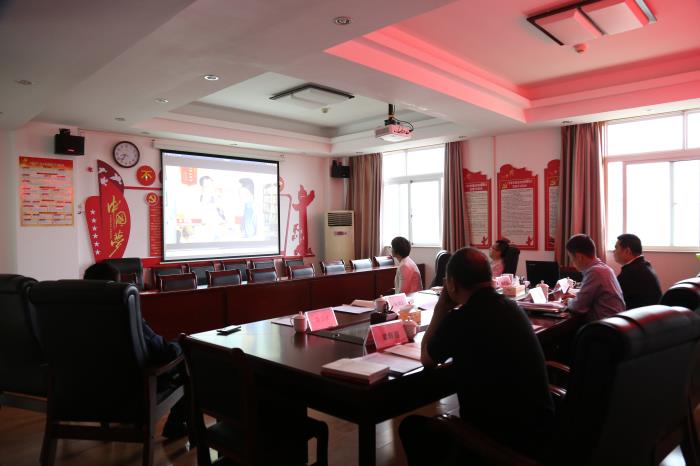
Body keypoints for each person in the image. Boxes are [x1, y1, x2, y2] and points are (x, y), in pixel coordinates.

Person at [400, 248, 554, 465]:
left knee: (411, 427)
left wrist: (441, 309)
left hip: (503, 444)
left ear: (451, 284)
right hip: (542, 434)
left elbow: (427, 359)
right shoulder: (512, 308)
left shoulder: (461, 319)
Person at [83, 262, 188, 439]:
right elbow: (164, 352)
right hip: (138, 391)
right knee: (184, 359)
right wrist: (180, 344)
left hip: (93, 391)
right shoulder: (126, 315)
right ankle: (175, 425)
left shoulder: (77, 319)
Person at [561, 234, 625, 322]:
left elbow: (579, 307)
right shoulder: (604, 268)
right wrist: (577, 297)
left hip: (603, 326)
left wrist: (568, 301)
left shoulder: (594, 272)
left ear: (579, 257)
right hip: (615, 323)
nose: (572, 262)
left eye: (572, 258)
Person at [613, 233, 662, 309]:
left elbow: (614, 299)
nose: (614, 251)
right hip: (652, 313)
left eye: (616, 248)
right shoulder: (644, 265)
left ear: (627, 251)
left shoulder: (630, 273)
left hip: (640, 315)